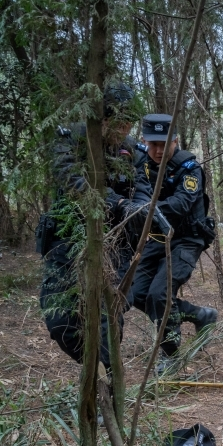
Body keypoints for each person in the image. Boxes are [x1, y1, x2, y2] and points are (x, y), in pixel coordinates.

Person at [39, 83, 155, 368]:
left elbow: (142, 186)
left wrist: (137, 207)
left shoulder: (134, 151)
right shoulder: (72, 139)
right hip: (67, 241)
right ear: (102, 117)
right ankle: (96, 370)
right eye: (117, 121)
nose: (123, 128)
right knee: (60, 321)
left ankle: (107, 386)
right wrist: (115, 202)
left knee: (107, 317)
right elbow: (73, 182)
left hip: (116, 244)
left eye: (129, 122)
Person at [132, 114, 218, 374]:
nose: (157, 150)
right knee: (135, 294)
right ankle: (199, 314)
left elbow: (180, 205)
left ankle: (170, 356)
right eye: (152, 144)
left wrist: (142, 209)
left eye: (163, 143)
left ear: (175, 141)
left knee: (159, 295)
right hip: (157, 239)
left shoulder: (189, 169)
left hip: (186, 240)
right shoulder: (142, 162)